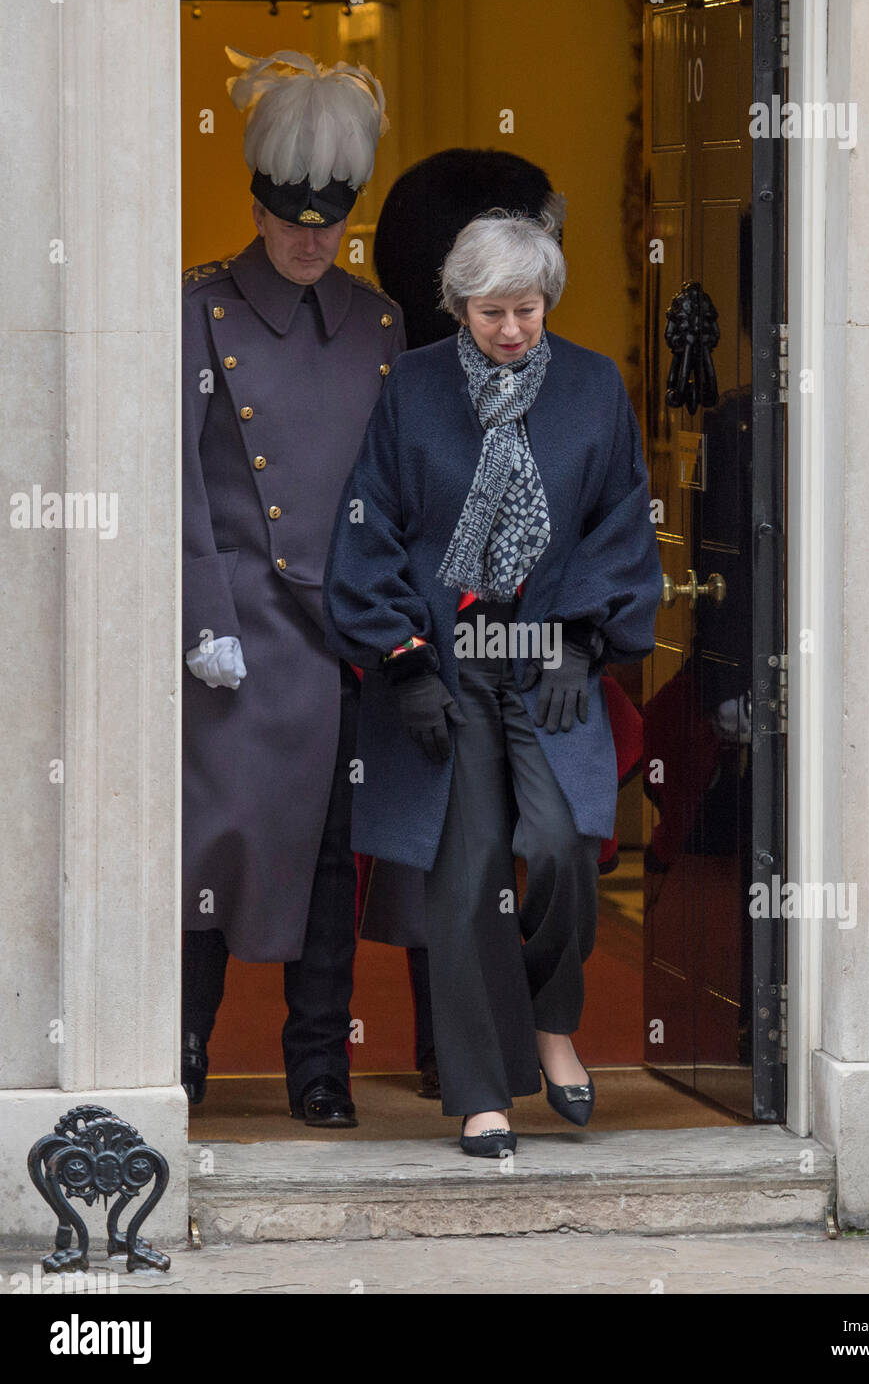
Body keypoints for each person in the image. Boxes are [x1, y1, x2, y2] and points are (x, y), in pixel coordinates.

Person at [323, 212, 661, 1154]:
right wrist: (404, 661)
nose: (511, 330)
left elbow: (619, 526)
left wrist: (584, 645)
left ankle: (553, 1023)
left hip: (550, 655)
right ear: (457, 307)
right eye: (490, 312)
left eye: (527, 308)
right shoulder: (415, 387)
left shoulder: (593, 387)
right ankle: (482, 1093)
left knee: (562, 846)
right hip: (448, 661)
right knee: (467, 876)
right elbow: (371, 524)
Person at [181, 47, 404, 1128]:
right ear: (258, 201)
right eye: (288, 212)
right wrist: (199, 620)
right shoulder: (200, 312)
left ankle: (319, 1068)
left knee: (325, 864)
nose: (308, 233)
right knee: (212, 855)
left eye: (329, 214)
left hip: (339, 636)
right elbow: (177, 480)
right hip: (232, 640)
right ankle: (177, 1059)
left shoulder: (377, 326)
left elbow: (393, 489)